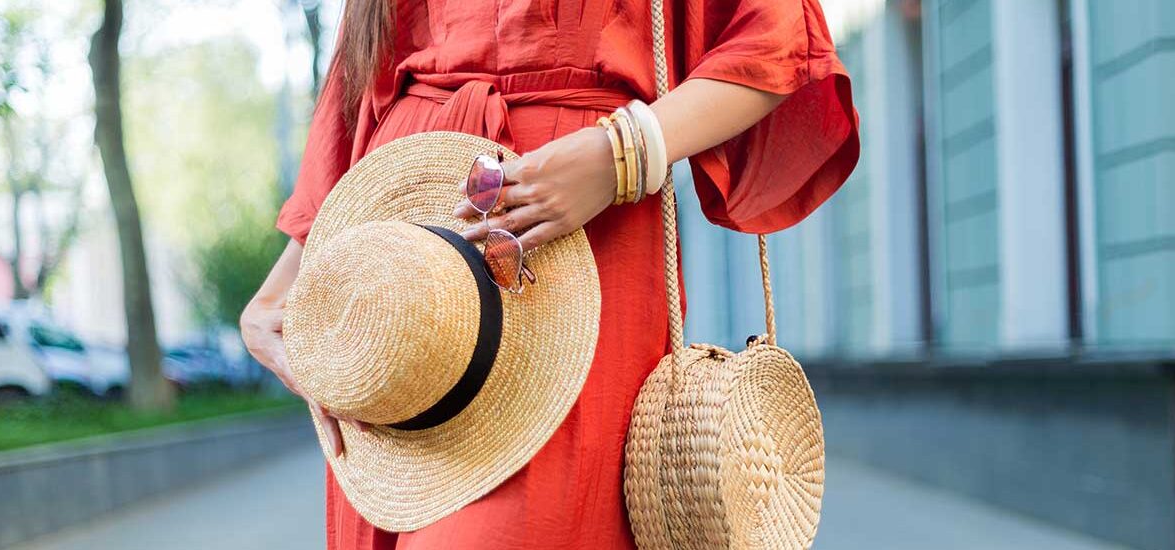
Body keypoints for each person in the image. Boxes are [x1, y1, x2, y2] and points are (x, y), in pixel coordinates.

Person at [241, 0, 858, 548]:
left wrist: (624, 151)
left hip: (580, 231)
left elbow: (776, 39)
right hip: (403, 244)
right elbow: (360, 79)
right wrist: (287, 285)